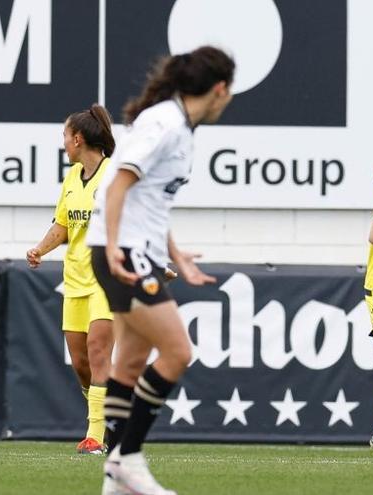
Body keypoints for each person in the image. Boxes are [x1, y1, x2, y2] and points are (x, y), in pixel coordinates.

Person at [86, 45, 235, 495]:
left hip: (136, 251)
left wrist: (174, 252)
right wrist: (115, 248)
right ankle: (127, 457)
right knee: (177, 352)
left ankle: (115, 479)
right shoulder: (165, 123)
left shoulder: (178, 125)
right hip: (124, 253)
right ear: (219, 89)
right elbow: (118, 184)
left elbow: (150, 199)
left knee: (129, 364)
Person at [26, 104, 116, 455]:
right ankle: (104, 410)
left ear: (78, 139)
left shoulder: (113, 175)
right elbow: (63, 225)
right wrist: (40, 249)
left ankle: (96, 434)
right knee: (81, 363)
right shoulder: (71, 178)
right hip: (74, 278)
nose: (63, 143)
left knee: (97, 352)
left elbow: (137, 217)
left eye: (65, 136)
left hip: (106, 278)